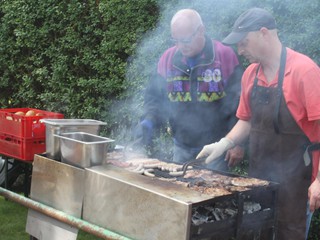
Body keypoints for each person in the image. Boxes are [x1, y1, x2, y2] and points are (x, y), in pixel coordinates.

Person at [196, 7, 320, 240]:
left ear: (264, 33)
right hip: (260, 179)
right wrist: (224, 143)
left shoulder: (304, 71)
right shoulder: (250, 74)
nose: (240, 50)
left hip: (297, 183)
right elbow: (246, 120)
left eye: (244, 42)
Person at [135, 9, 245, 171]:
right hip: (181, 147)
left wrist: (238, 143)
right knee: (180, 192)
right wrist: (148, 122)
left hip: (216, 150)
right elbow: (155, 99)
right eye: (176, 40)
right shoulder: (168, 59)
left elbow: (240, 102)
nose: (180, 46)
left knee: (212, 193)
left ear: (201, 31)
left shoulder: (224, 56)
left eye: (185, 40)